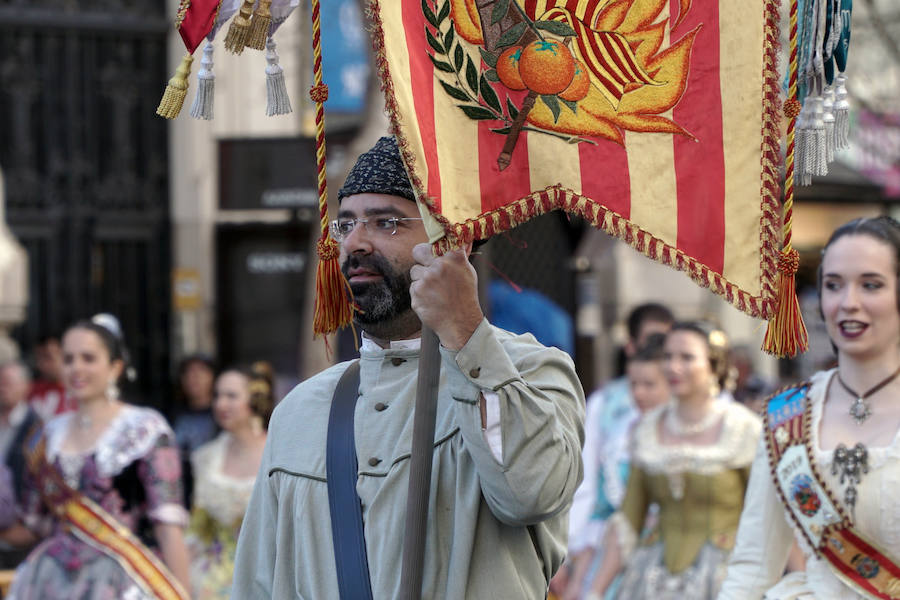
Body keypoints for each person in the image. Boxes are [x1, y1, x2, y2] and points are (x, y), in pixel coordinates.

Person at [230, 136, 585, 598]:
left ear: (450, 243)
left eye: (386, 222)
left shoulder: (533, 373)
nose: (355, 243)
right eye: (347, 225)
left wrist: (464, 331)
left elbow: (529, 493)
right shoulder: (300, 410)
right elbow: (258, 581)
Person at [719, 216, 900, 599]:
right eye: (833, 285)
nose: (848, 303)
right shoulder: (789, 414)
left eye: (871, 285)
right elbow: (753, 566)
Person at [6, 313, 191, 599]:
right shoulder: (45, 435)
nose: (76, 368)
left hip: (123, 580)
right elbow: (34, 525)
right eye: (68, 359)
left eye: (88, 358)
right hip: (50, 581)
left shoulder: (145, 429)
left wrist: (184, 594)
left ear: (115, 367)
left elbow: (168, 526)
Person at [587, 322, 762, 600]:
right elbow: (628, 523)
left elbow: (770, 518)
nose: (673, 366)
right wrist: (595, 591)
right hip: (652, 580)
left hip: (726, 582)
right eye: (668, 357)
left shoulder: (743, 429)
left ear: (714, 364)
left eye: (687, 357)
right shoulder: (648, 429)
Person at [552, 303, 674, 599]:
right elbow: (595, 497)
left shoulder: (691, 434)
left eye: (649, 385)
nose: (639, 394)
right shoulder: (617, 423)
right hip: (616, 556)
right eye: (635, 385)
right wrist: (576, 562)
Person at [186, 362, 273, 599]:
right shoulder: (205, 457)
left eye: (231, 396)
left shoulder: (278, 453)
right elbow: (196, 530)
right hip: (208, 584)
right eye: (217, 395)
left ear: (256, 400)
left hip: (265, 580)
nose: (221, 404)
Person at [0, 361, 42, 568]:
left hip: (19, 536)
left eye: (7, 382)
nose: (2, 387)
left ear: (26, 386)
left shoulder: (37, 429)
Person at [171, 354, 218, 508]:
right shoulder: (172, 415)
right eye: (188, 372)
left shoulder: (221, 415)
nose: (194, 377)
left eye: (201, 371)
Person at [27, 335, 72, 421]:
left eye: (48, 357)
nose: (42, 364)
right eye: (38, 358)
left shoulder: (80, 391)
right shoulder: (30, 390)